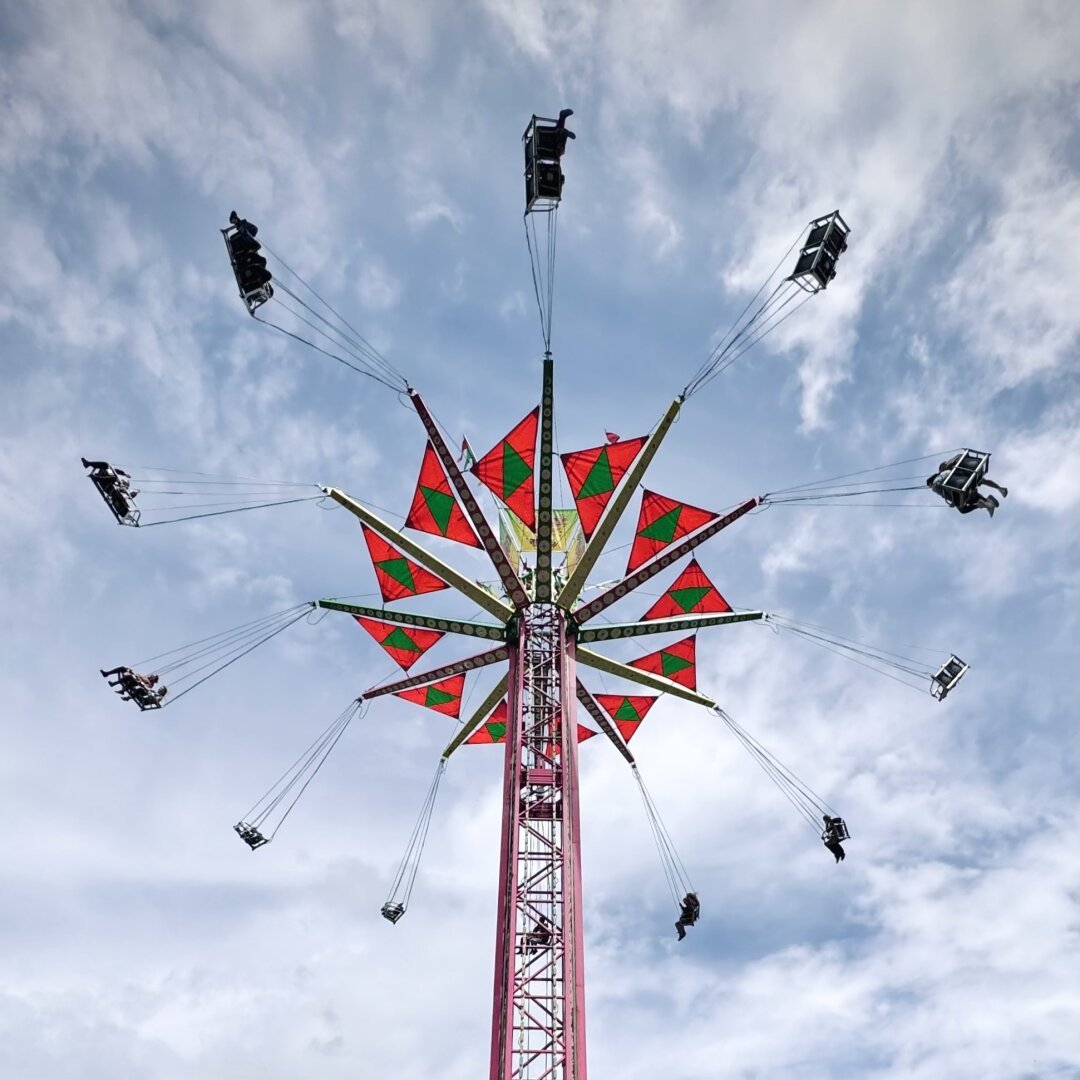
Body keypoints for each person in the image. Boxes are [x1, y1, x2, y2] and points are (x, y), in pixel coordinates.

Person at [926, 454, 1007, 517]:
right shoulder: (956, 466)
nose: (941, 470)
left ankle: (984, 503)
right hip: (969, 482)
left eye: (941, 469)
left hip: (962, 488)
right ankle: (988, 500)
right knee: (978, 485)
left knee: (962, 507)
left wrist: (953, 503)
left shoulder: (945, 473)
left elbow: (946, 492)